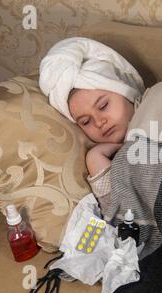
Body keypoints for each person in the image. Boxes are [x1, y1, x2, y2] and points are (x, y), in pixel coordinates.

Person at [39, 37, 145, 221]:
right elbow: (122, 218)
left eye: (103, 106)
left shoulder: (158, 104)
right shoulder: (114, 159)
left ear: (126, 92)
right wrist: (95, 159)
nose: (99, 122)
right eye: (86, 121)